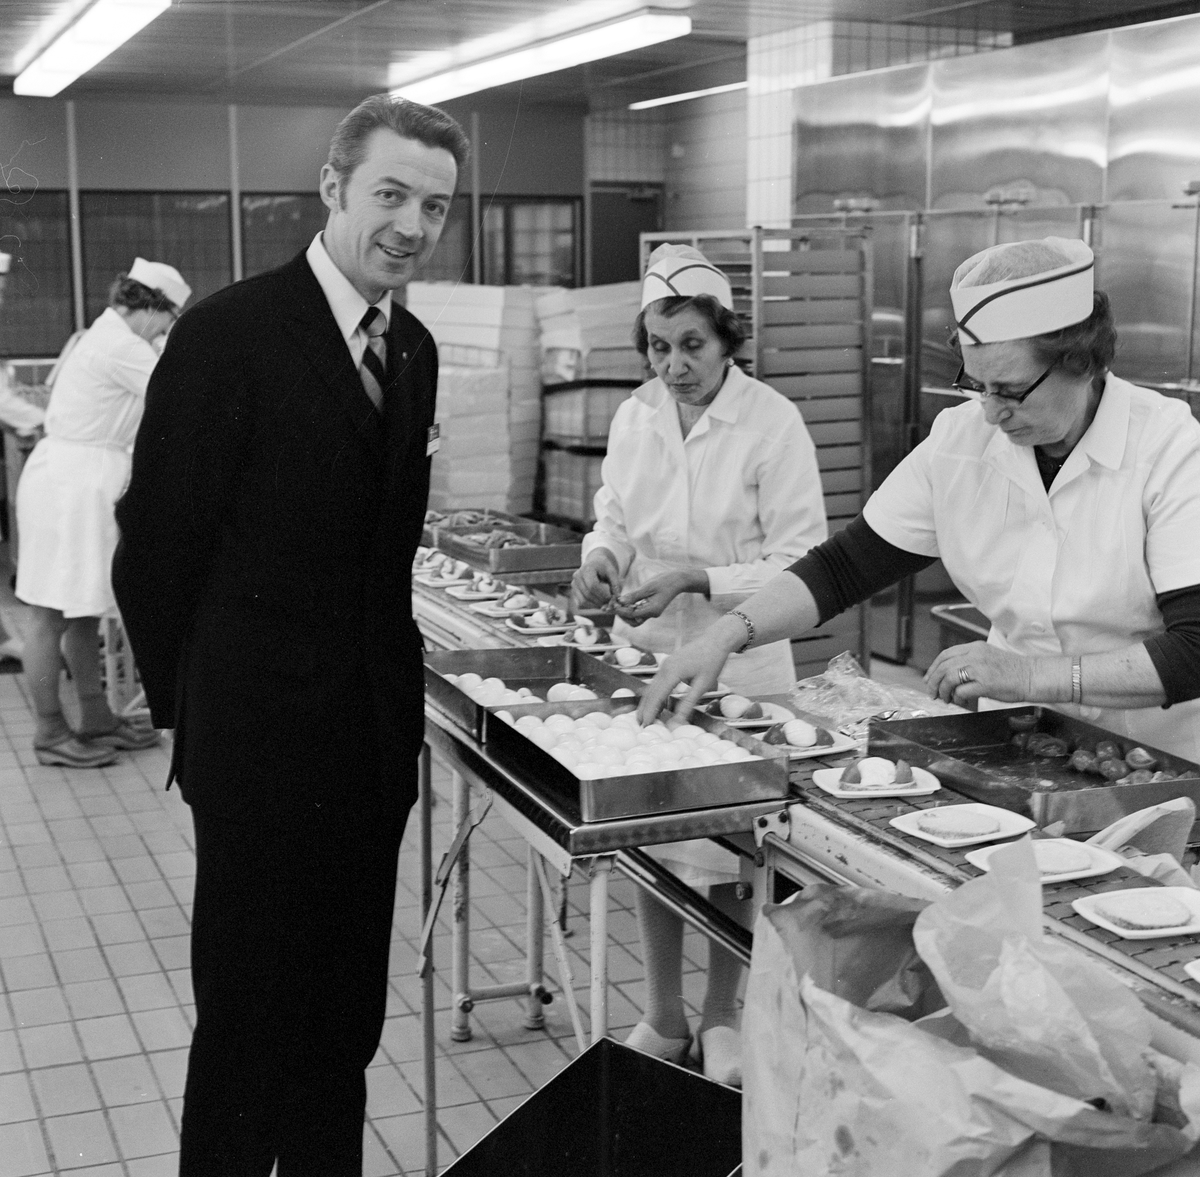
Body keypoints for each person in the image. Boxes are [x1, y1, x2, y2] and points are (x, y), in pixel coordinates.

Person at [111, 94, 468, 1174]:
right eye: (391, 194)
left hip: (368, 748)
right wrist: (197, 714)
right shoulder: (231, 334)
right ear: (333, 187)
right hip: (257, 751)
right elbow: (154, 547)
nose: (411, 225)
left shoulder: (413, 351)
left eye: (434, 207)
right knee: (246, 1031)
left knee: (342, 1027)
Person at [640, 236, 1200, 767]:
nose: (991, 413)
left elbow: (1195, 648)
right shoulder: (961, 442)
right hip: (1021, 741)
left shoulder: (1171, 450)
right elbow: (844, 567)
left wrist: (1030, 676)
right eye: (976, 385)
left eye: (1010, 390)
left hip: (1157, 753)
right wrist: (727, 634)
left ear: (1085, 362)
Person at [571, 244, 827, 1085]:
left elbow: (802, 558)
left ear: (727, 342)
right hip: (651, 654)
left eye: (691, 345)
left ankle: (721, 1016)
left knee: (727, 856)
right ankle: (664, 1014)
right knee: (652, 841)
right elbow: (614, 517)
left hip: (742, 669)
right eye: (658, 346)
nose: (672, 365)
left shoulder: (771, 422)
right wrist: (601, 559)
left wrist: (700, 578)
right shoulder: (636, 416)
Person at [16, 259, 190, 768]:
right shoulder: (121, 346)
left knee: (83, 609)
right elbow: (181, 394)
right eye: (169, 318)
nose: (166, 330)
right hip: (69, 487)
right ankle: (50, 732)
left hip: (78, 481)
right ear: (152, 307)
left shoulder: (109, 336)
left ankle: (96, 718)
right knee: (49, 613)